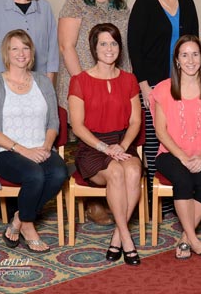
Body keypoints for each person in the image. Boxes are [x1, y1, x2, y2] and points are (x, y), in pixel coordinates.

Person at [58, 0, 131, 225]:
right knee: (88, 140)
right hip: (84, 80)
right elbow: (67, 47)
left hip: (115, 78)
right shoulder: (76, 2)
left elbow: (124, 42)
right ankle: (94, 200)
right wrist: (85, 86)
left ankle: (116, 190)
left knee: (115, 133)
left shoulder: (119, 3)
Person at [0, 30, 67, 253]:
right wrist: (24, 150)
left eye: (25, 48)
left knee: (59, 173)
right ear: (6, 53)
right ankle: (29, 227)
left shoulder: (43, 83)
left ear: (32, 52)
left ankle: (18, 218)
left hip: (41, 147)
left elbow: (54, 122)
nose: (21, 53)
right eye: (15, 48)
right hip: (7, 151)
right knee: (34, 175)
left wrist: (47, 147)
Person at [128, 0, 199, 215]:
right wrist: (144, 85)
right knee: (153, 141)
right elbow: (134, 46)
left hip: (183, 85)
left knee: (179, 136)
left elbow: (194, 46)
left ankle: (173, 195)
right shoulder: (145, 3)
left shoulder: (188, 3)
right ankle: (151, 198)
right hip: (154, 85)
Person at [68, 23, 142, 266]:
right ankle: (127, 239)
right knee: (117, 174)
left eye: (113, 43)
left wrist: (123, 146)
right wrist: (104, 148)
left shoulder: (129, 79)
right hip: (92, 147)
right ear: (94, 48)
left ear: (120, 48)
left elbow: (135, 121)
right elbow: (77, 126)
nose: (109, 48)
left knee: (132, 169)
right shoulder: (79, 80)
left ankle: (117, 236)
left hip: (121, 143)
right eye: (103, 43)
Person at [150, 35, 201, 260]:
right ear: (177, 60)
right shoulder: (164, 89)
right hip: (171, 153)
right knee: (182, 180)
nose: (190, 60)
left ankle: (185, 239)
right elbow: (160, 131)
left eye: (195, 54)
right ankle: (195, 242)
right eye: (184, 55)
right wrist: (182, 156)